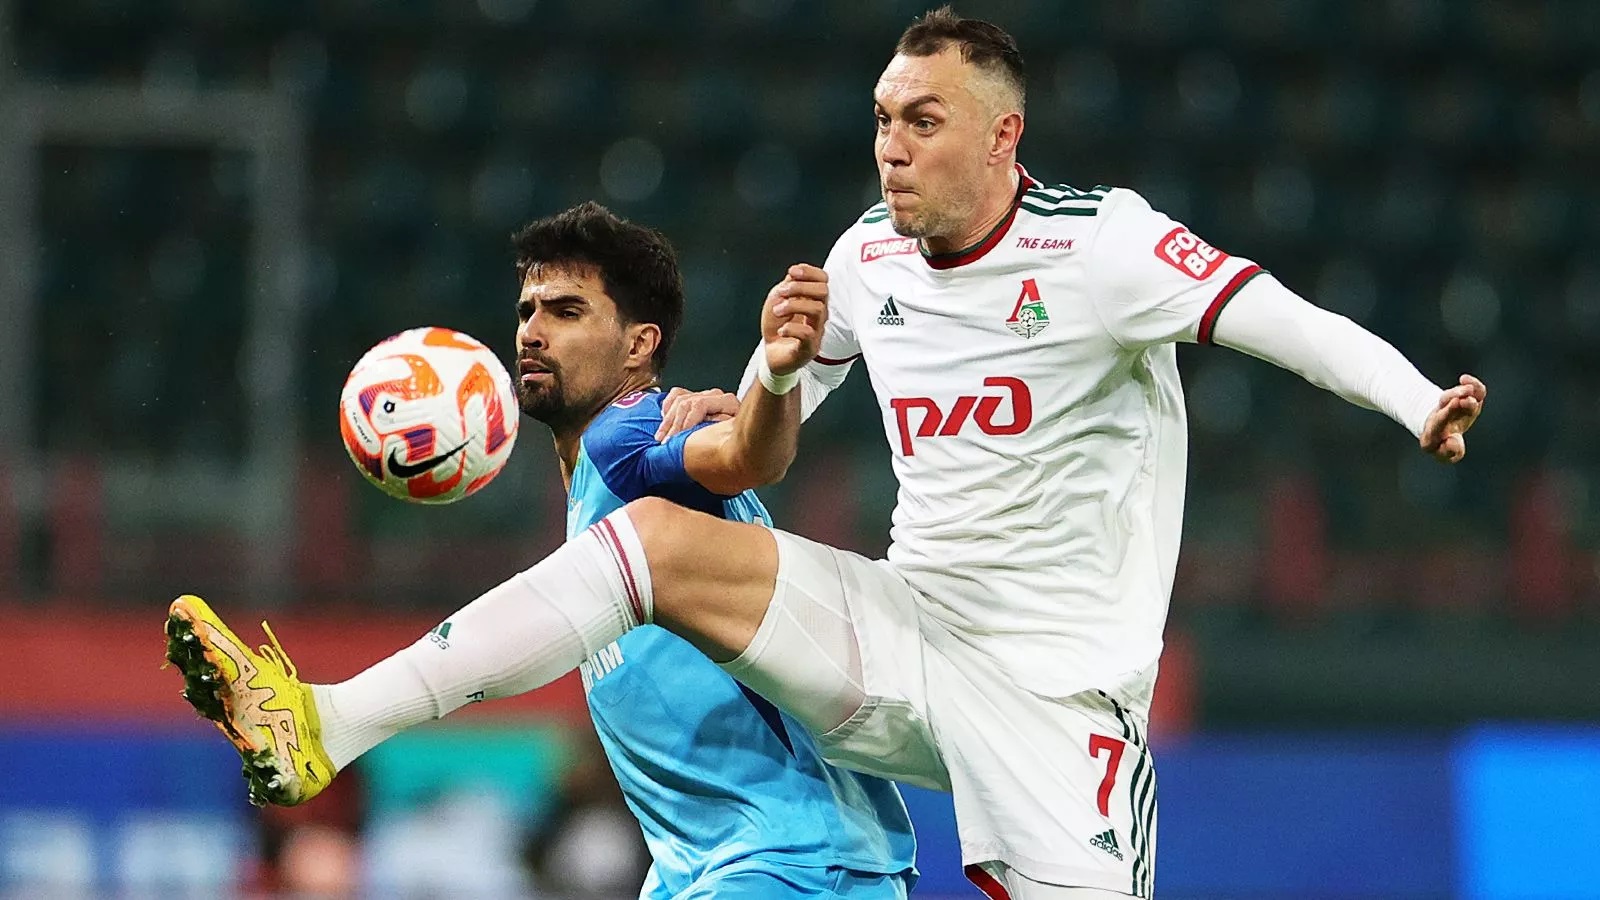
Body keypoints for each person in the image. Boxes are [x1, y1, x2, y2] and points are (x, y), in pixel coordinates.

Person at [166, 7, 1487, 899]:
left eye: (922, 121)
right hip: (911, 636)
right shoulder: (865, 258)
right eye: (881, 118)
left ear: (1003, 135)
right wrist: (770, 373)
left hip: (1061, 697)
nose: (890, 147)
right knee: (652, 542)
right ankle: (327, 722)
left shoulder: (1105, 247)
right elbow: (757, 447)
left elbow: (1277, 317)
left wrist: (1415, 397)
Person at [166, 203, 916, 899]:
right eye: (527, 310)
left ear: (639, 344)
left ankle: (328, 721)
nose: (531, 331)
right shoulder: (604, 488)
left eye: (566, 311)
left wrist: (776, 380)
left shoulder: (633, 429)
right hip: (724, 868)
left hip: (794, 864)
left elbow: (747, 457)